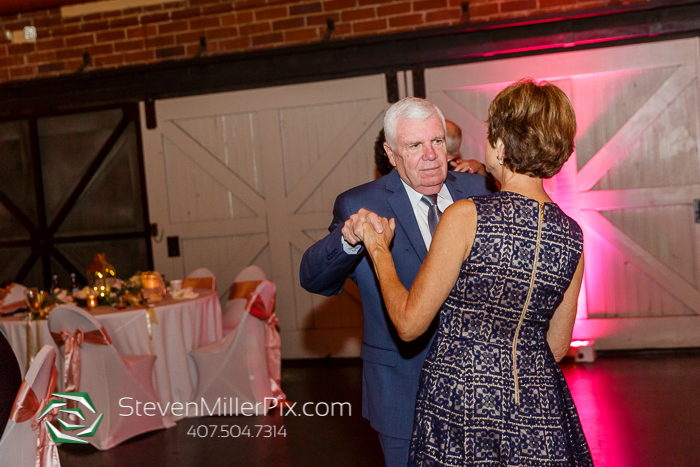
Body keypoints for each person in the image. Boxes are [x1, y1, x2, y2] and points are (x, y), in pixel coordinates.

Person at [360, 79, 594, 466]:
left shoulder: (466, 216)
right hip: (537, 406)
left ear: (500, 146)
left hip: (462, 403)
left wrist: (379, 251)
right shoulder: (571, 235)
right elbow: (556, 345)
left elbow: (408, 323)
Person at [299, 97, 492, 466]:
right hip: (404, 387)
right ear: (390, 153)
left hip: (481, 387)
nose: (430, 155)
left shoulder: (481, 190)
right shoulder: (362, 203)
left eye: (436, 141)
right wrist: (347, 238)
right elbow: (315, 278)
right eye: (414, 145)